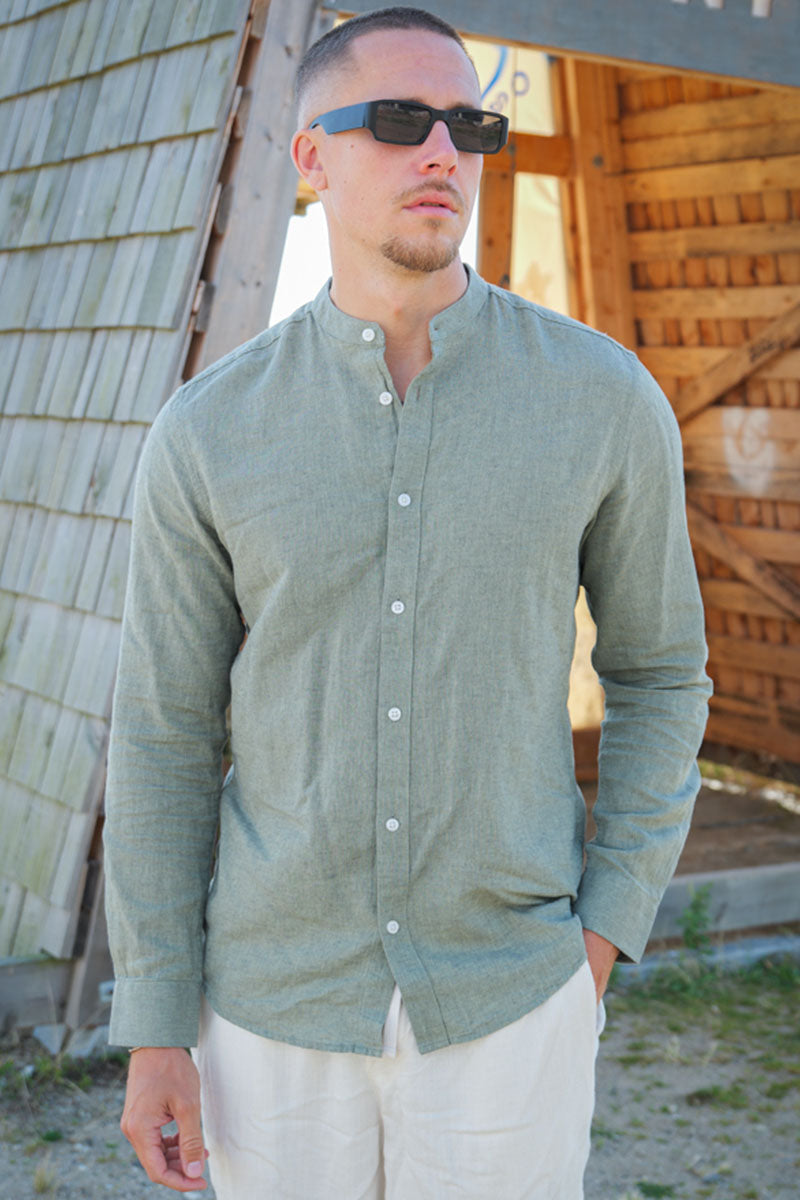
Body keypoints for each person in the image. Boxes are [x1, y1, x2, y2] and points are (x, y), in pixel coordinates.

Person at [104, 7, 712, 1197]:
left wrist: (601, 934)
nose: (442, 151)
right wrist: (156, 1023)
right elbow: (163, 731)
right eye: (398, 120)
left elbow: (659, 675)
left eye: (467, 126)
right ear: (310, 158)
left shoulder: (601, 399)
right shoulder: (207, 432)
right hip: (270, 1015)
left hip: (511, 1001)